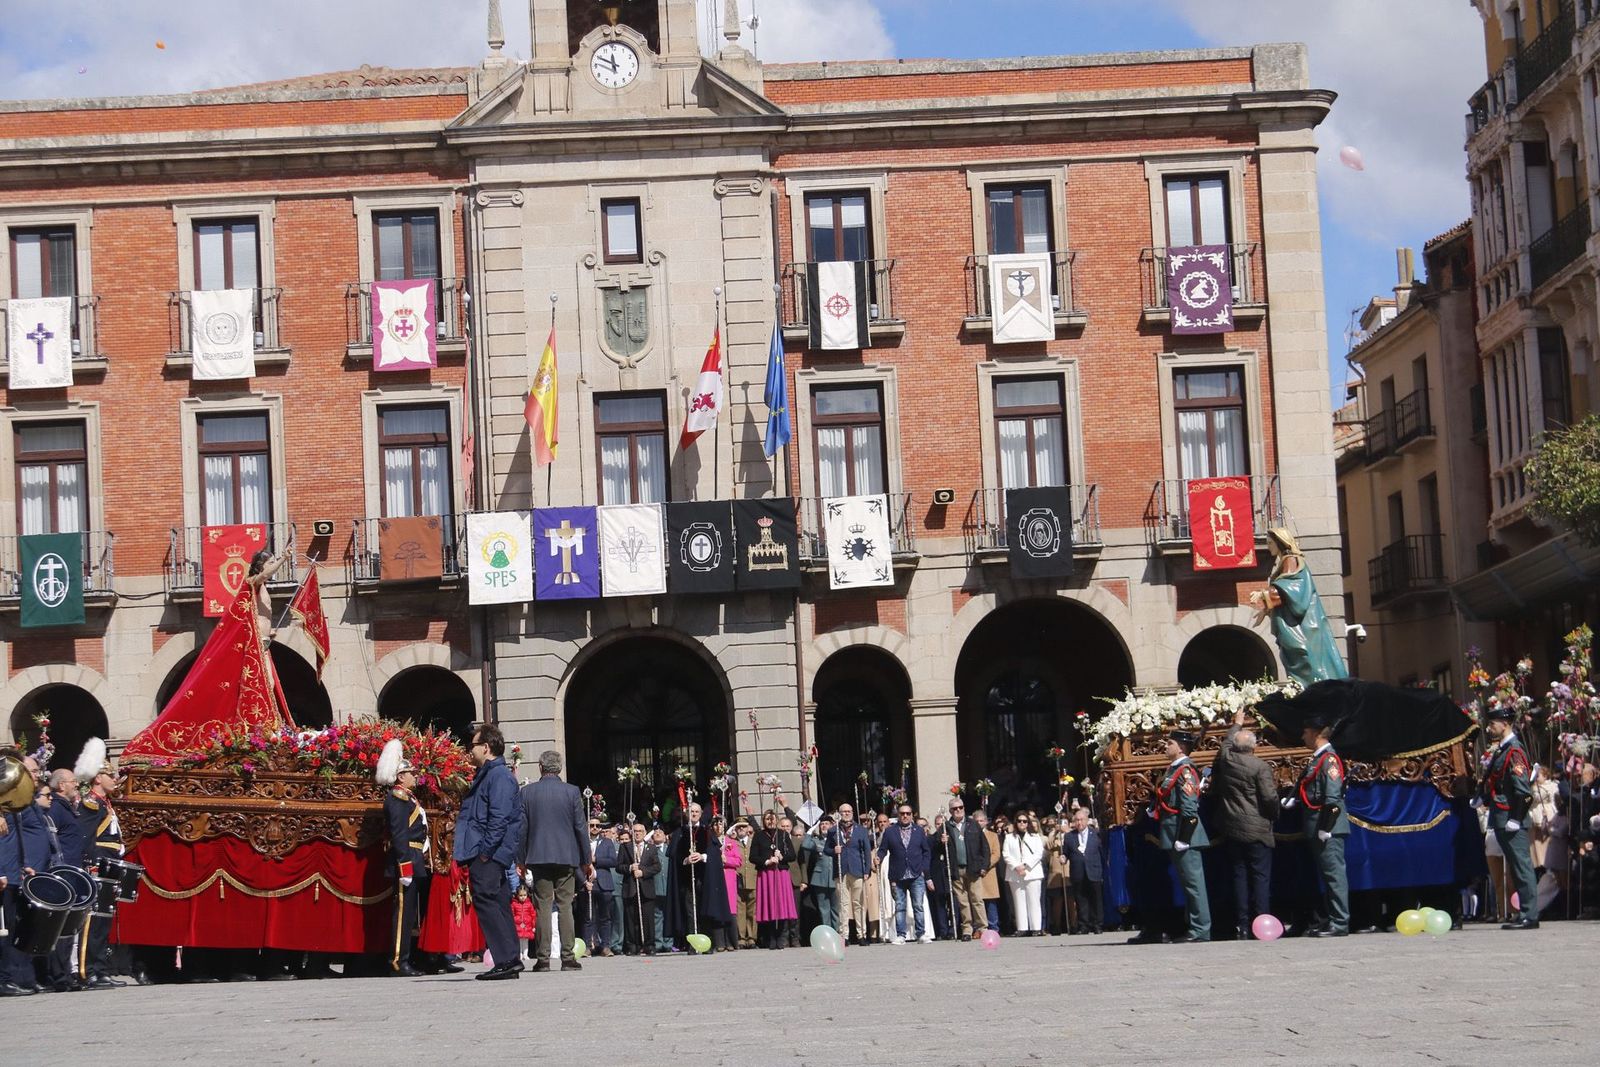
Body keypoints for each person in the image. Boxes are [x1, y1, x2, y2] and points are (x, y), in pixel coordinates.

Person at [453, 724, 523, 980]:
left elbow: (499, 818)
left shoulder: (498, 776)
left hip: (489, 853)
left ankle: (505, 959)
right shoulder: (489, 774)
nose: (470, 750)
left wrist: (485, 852)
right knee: (498, 901)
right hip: (488, 851)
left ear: (486, 747)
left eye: (473, 745)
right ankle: (509, 959)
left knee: (488, 901)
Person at [515, 748, 591, 973]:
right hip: (566, 857)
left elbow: (522, 829)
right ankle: (568, 958)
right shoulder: (571, 791)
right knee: (565, 905)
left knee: (543, 907)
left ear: (540, 767)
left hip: (538, 856)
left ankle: (543, 959)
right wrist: (586, 859)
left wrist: (520, 858)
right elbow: (580, 827)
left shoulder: (527, 793)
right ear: (559, 768)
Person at [1210, 707, 1278, 939]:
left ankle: (1243, 925)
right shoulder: (1260, 767)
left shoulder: (1228, 760)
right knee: (1260, 877)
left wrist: (1236, 724)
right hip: (1258, 827)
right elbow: (1269, 797)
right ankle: (1262, 921)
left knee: (1239, 876)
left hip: (1232, 827)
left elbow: (1225, 745)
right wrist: (1273, 814)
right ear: (1254, 746)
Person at [1250, 528, 1348, 687]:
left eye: (1270, 543)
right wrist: (1265, 611)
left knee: (1303, 656)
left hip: (1301, 626)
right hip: (1297, 623)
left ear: (1279, 542)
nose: (1268, 547)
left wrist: (1263, 594)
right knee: (1300, 658)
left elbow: (1292, 586)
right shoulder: (1286, 561)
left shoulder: (1290, 559)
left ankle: (1315, 689)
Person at [1289, 714, 1349, 937]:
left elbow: (1332, 798)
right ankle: (1332, 918)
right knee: (1327, 875)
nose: (1303, 735)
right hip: (1318, 824)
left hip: (1328, 826)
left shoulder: (1329, 759)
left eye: (1306, 731)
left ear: (1315, 733)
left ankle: (1340, 922)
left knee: (1334, 876)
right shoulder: (1318, 758)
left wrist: (1327, 826)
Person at [1148, 729, 1210, 943]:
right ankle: (1193, 925)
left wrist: (1184, 837)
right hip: (1173, 830)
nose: (1166, 746)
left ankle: (1200, 928)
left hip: (1184, 833)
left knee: (1194, 884)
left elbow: (1190, 808)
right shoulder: (1173, 769)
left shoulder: (1185, 771)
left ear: (1181, 748)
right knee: (1187, 884)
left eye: (1170, 743)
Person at [378, 739, 434, 976]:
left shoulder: (407, 797)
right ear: (401, 776)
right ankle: (398, 961)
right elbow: (400, 834)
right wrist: (405, 867)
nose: (414, 776)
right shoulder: (398, 799)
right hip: (406, 860)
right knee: (403, 914)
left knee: (410, 913)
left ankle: (406, 958)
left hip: (414, 857)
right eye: (410, 773)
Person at [1480, 705, 1538, 930]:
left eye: (1493, 724)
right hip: (1501, 815)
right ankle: (1524, 912)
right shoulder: (1502, 749)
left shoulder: (1514, 751)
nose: (1489, 727)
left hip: (1511, 817)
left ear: (1505, 724)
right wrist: (1484, 798)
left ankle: (1529, 915)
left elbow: (1523, 791)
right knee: (1516, 867)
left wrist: (1516, 817)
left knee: (1522, 867)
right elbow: (1500, 783)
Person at [74, 737, 126, 986]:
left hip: (110, 867)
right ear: (98, 778)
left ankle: (101, 969)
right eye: (110, 775)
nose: (115, 779)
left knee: (104, 919)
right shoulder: (91, 804)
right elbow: (84, 838)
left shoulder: (107, 804)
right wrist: (89, 864)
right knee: (92, 921)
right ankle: (88, 971)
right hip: (97, 867)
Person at [667, 801, 733, 950]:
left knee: (706, 909)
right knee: (690, 912)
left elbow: (715, 854)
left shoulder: (708, 832)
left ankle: (708, 943)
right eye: (691, 812)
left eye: (697, 811)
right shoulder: (680, 832)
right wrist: (685, 859)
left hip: (705, 878)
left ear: (701, 814)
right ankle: (692, 943)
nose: (694, 814)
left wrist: (703, 856)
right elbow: (674, 855)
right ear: (687, 814)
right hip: (686, 879)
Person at [933, 797, 989, 941]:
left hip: (973, 868)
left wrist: (984, 866)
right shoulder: (945, 827)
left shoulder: (972, 824)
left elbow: (985, 847)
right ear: (950, 811)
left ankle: (983, 928)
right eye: (955, 809)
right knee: (963, 902)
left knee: (976, 899)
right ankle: (967, 930)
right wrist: (941, 841)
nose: (958, 810)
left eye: (961, 807)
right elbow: (936, 849)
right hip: (956, 869)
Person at [875, 802, 931, 944]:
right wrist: (878, 858)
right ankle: (901, 935)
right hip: (897, 874)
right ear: (898, 816)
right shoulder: (890, 831)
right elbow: (883, 849)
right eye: (902, 814)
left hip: (916, 873)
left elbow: (926, 851)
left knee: (918, 905)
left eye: (908, 813)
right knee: (900, 906)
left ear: (912, 815)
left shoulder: (918, 831)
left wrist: (924, 868)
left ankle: (921, 934)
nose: (905, 816)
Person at [751, 808, 797, 949]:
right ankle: (770, 937)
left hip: (781, 873)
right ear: (764, 821)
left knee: (781, 905)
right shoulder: (759, 836)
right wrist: (766, 861)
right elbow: (753, 857)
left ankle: (781, 937)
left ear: (776, 820)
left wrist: (781, 856)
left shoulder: (783, 835)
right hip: (767, 874)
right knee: (769, 905)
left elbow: (792, 855)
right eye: (767, 819)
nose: (770, 821)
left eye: (773, 819)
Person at [832, 803, 874, 945]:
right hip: (841, 870)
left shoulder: (861, 830)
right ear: (839, 813)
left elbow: (867, 851)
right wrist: (834, 850)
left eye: (848, 811)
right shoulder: (834, 831)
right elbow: (826, 850)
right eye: (843, 811)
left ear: (852, 813)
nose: (846, 814)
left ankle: (861, 934)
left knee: (859, 903)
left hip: (857, 870)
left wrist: (867, 870)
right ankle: (844, 935)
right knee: (843, 904)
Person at [618, 819, 660, 956]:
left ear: (644, 833)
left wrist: (643, 872)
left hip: (646, 887)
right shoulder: (625, 847)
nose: (637, 834)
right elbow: (619, 866)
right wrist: (630, 868)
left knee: (648, 918)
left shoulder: (651, 848)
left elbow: (657, 867)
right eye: (635, 831)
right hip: (630, 888)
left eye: (640, 831)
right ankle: (632, 945)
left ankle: (649, 945)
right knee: (631, 918)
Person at [1061, 808, 1105, 934]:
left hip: (1094, 870)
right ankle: (1083, 925)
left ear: (1087, 820)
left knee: (1096, 898)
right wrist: (1063, 857)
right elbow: (1066, 853)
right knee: (1081, 899)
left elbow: (1102, 852)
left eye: (1082, 820)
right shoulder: (1069, 836)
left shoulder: (1096, 834)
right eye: (1077, 820)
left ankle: (1097, 924)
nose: (1079, 823)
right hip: (1078, 872)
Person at [1002, 811, 1045, 936]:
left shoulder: (1035, 837)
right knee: (1018, 901)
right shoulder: (1009, 837)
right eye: (1019, 821)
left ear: (1028, 823)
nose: (1022, 823)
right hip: (1015, 873)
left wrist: (1025, 865)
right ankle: (1022, 928)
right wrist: (1016, 866)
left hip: (1032, 872)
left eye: (1024, 821)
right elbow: (1006, 854)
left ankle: (1036, 927)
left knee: (1034, 900)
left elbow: (1038, 853)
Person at [582, 818, 617, 956]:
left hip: (604, 884)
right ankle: (588, 945)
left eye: (597, 825)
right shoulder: (582, 842)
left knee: (605, 917)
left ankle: (605, 946)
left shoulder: (607, 842)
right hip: (588, 883)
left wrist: (596, 860)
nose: (595, 828)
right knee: (588, 917)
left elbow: (613, 861)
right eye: (592, 825)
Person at [799, 812, 838, 934]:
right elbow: (805, 845)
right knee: (823, 908)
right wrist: (810, 830)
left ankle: (836, 932)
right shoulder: (816, 840)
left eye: (827, 824)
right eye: (822, 824)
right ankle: (828, 933)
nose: (824, 826)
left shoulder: (837, 839)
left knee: (836, 908)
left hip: (835, 877)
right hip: (820, 878)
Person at [974, 809, 1002, 933]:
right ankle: (979, 928)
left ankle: (993, 927)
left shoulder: (993, 835)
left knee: (990, 902)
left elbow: (996, 854)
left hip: (989, 873)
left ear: (986, 822)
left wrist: (985, 866)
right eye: (977, 821)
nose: (979, 823)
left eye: (981, 820)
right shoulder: (970, 835)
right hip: (975, 872)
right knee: (976, 901)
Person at [734, 819, 758, 948]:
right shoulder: (732, 843)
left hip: (753, 879)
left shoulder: (754, 842)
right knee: (740, 910)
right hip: (738, 880)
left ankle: (752, 937)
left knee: (752, 911)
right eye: (738, 827)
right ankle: (741, 937)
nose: (741, 829)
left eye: (743, 827)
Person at [511, 884, 538, 961]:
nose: (523, 897)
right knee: (519, 941)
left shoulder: (529, 904)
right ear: (517, 895)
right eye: (521, 895)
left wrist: (533, 926)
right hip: (517, 925)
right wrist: (515, 921)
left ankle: (525, 954)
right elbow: (512, 914)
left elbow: (533, 915)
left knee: (526, 941)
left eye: (525, 895)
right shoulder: (514, 904)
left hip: (527, 925)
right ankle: (519, 954)